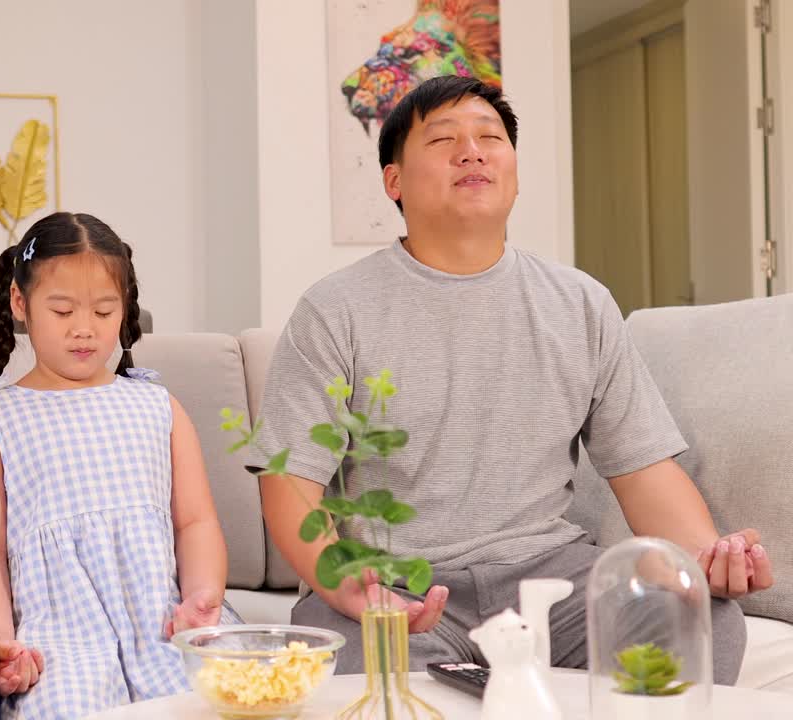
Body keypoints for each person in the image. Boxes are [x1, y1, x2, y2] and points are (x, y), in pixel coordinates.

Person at [254, 75, 773, 683]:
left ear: (514, 168)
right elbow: (289, 483)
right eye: (443, 139)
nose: (471, 151)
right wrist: (345, 587)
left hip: (554, 582)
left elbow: (644, 470)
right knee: (345, 662)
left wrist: (703, 563)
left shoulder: (581, 302)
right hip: (395, 583)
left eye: (489, 137)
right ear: (394, 181)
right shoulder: (334, 309)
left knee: (701, 618)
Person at [0, 211, 240, 719]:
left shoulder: (158, 405)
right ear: (20, 304)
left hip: (162, 623)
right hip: (61, 638)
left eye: (104, 311)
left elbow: (195, 521)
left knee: (219, 700)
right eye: (63, 311)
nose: (84, 330)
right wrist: (2, 641)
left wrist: (202, 601)